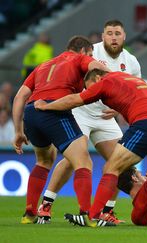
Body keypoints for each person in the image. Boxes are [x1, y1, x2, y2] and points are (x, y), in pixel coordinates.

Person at [34, 69, 147, 227]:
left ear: (97, 77)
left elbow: (75, 100)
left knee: (111, 167)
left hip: (146, 124)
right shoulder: (127, 77)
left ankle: (92, 216)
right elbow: (132, 96)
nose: (92, 93)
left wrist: (47, 106)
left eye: (89, 87)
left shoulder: (104, 82)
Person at [37, 19, 141, 225]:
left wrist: (120, 106)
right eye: (109, 33)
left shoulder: (131, 61)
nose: (113, 37)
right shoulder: (90, 52)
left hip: (105, 117)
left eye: (117, 33)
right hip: (80, 111)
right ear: (102, 37)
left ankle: (107, 211)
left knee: (121, 163)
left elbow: (136, 90)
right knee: (73, 159)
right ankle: (46, 205)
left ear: (124, 36)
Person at [12, 36, 111, 226]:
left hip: (31, 113)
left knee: (44, 160)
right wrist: (113, 76)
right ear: (82, 51)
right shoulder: (79, 58)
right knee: (83, 162)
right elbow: (94, 67)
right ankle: (87, 214)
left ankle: (30, 213)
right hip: (54, 111)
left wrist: (18, 130)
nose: (90, 57)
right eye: (90, 54)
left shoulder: (43, 66)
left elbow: (20, 96)